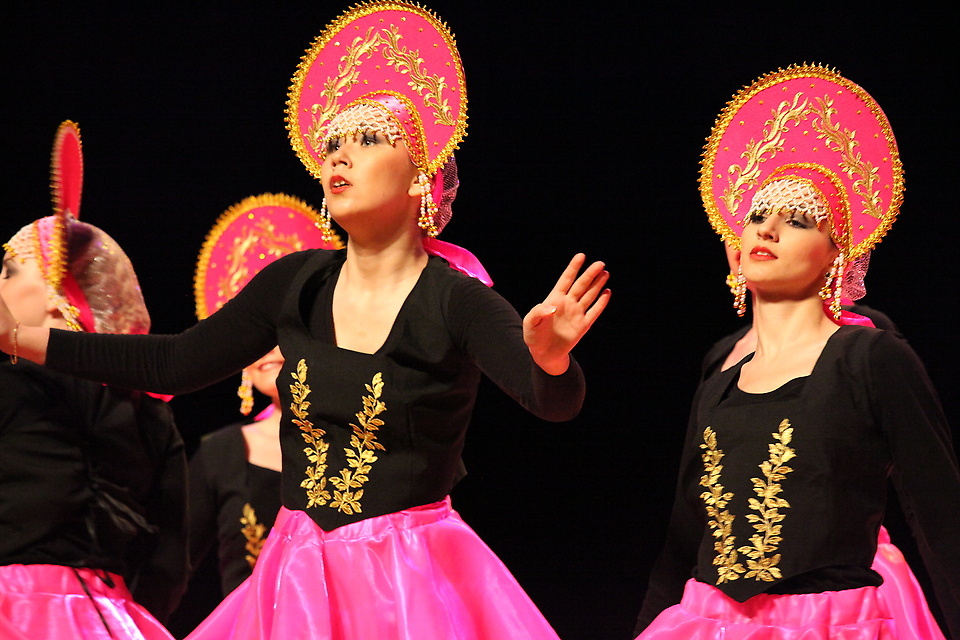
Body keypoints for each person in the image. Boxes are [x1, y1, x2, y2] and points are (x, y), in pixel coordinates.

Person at [0, 4, 610, 639]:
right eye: (333, 145)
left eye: (368, 140)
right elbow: (173, 363)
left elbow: (553, 403)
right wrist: (16, 337)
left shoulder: (456, 299)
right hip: (295, 578)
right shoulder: (297, 282)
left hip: (406, 582)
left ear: (421, 177)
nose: (340, 156)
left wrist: (551, 359)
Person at [635, 65, 959, 638]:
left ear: (838, 252)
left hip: (832, 624)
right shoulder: (721, 366)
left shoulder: (872, 358)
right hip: (709, 623)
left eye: (800, 220)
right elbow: (684, 533)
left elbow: (943, 521)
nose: (768, 231)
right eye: (758, 216)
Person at [0, 121, 187, 639]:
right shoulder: (148, 408)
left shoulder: (12, 385)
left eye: (10, 271)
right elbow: (169, 562)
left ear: (59, 294)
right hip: (112, 618)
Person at [181, 194, 341, 626]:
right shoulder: (220, 454)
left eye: (281, 330)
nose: (267, 348)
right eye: (253, 333)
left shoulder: (360, 437)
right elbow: (170, 564)